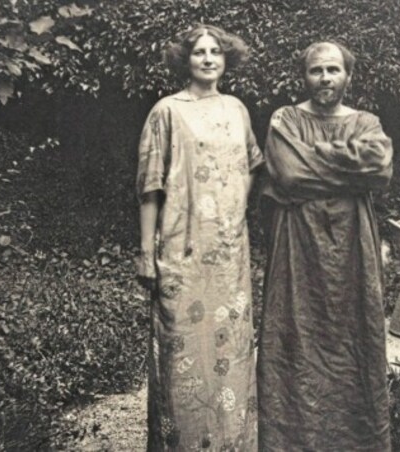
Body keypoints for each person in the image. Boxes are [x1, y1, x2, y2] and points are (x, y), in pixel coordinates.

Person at [257, 41, 393, 451]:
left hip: (353, 247)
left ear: (348, 76)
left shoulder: (366, 121)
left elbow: (380, 167)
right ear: (304, 76)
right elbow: (289, 174)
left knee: (355, 331)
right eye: (316, 70)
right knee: (294, 330)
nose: (325, 78)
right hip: (298, 246)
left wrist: (316, 158)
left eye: (334, 70)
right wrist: (349, 171)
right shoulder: (286, 119)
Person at [136, 25, 263, 451]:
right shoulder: (167, 112)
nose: (207, 59)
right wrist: (145, 251)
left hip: (229, 255)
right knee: (182, 354)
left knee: (231, 353)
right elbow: (150, 186)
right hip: (181, 250)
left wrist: (233, 214)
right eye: (198, 53)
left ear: (227, 59)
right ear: (184, 60)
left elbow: (250, 167)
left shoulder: (237, 109)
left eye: (215, 52)